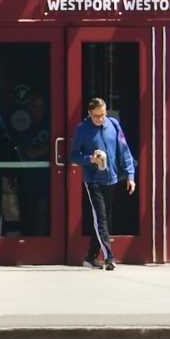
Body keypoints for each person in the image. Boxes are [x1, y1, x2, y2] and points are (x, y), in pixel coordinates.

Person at [68, 96, 135, 270]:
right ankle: (109, 258)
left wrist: (130, 175)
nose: (100, 119)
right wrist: (90, 159)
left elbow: (124, 149)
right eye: (96, 116)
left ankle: (90, 257)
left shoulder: (113, 124)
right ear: (90, 113)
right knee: (101, 218)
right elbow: (74, 155)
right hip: (93, 181)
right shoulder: (82, 130)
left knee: (103, 219)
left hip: (111, 178)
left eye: (103, 115)